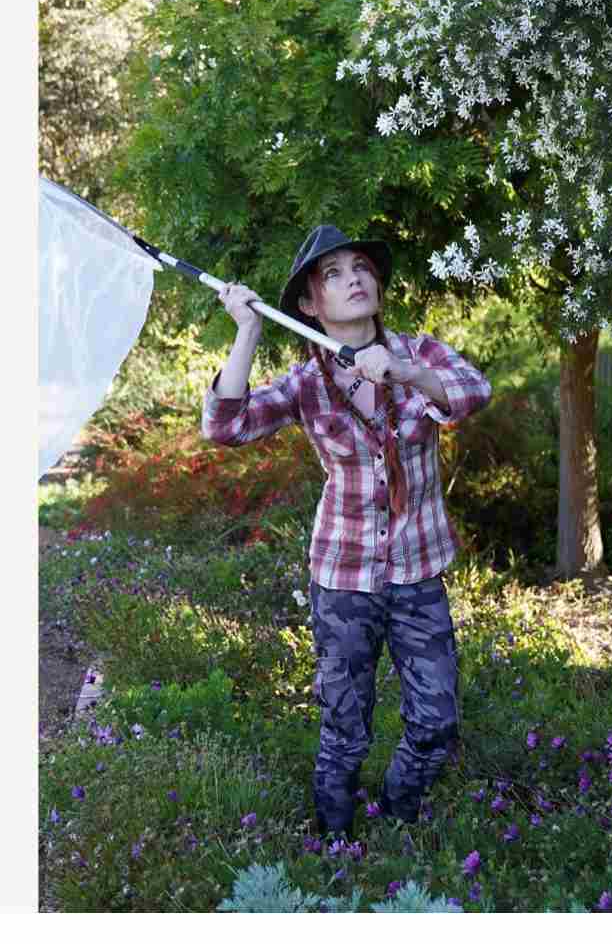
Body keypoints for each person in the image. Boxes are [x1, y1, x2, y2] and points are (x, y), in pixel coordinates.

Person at [201, 224, 492, 837]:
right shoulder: (308, 383)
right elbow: (227, 426)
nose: (354, 279)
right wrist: (247, 332)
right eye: (332, 274)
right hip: (343, 580)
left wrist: (405, 373)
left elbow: (474, 391)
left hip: (417, 574)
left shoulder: (422, 352)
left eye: (360, 267)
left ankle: (395, 817)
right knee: (344, 727)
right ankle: (335, 846)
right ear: (310, 305)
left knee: (437, 721)